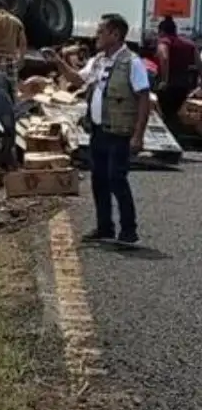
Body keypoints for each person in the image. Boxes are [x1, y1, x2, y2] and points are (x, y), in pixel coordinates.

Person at [46, 13, 150, 248]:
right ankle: (105, 227)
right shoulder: (99, 60)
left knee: (117, 178)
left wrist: (138, 134)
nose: (96, 36)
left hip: (120, 132)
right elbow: (78, 79)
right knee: (99, 180)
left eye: (101, 31)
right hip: (99, 131)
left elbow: (144, 98)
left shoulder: (132, 63)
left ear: (115, 34)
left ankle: (129, 229)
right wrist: (58, 61)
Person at [154, 16, 198, 128]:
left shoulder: (164, 41)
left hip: (169, 86)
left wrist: (164, 80)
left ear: (161, 31)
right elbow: (199, 63)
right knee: (175, 114)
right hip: (184, 86)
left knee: (164, 113)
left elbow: (164, 57)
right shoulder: (190, 44)